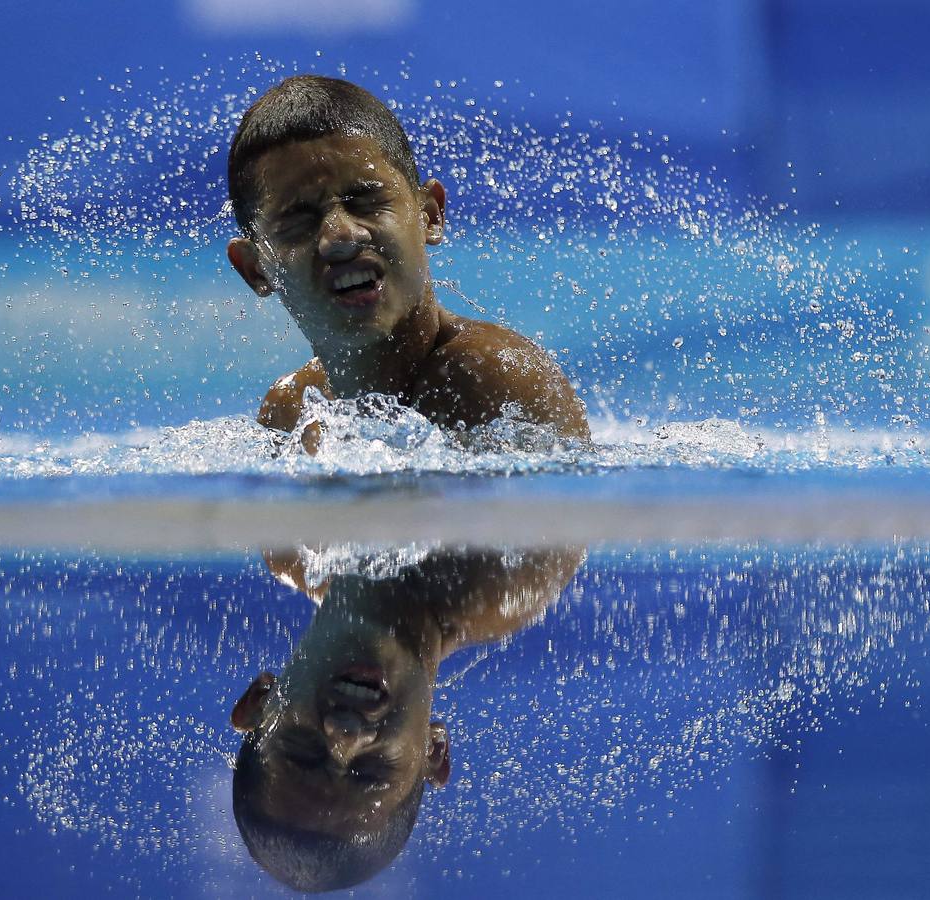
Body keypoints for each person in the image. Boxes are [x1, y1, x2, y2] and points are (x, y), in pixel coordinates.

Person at [225, 75, 590, 452]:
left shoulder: (484, 375)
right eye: (299, 221)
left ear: (429, 216)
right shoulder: (291, 409)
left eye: (364, 201)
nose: (341, 237)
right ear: (255, 269)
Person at [230, 544, 584, 892]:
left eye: (305, 750)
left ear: (261, 701)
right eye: (370, 770)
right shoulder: (506, 584)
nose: (346, 734)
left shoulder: (288, 546)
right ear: (433, 750)